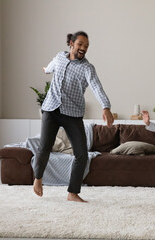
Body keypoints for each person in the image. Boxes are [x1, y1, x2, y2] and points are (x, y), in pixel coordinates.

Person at [33, 31, 114, 202]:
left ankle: (72, 192)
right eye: (80, 44)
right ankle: (38, 178)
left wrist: (106, 107)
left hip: (72, 113)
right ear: (71, 43)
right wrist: (46, 70)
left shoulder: (87, 68)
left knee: (82, 154)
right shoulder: (60, 57)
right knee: (44, 148)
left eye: (86, 46)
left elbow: (96, 87)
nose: (83, 48)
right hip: (51, 109)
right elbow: (50, 67)